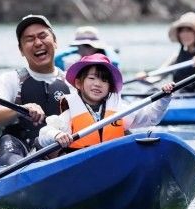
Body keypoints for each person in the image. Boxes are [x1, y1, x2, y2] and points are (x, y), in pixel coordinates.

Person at [39, 53, 174, 152]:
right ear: (79, 83)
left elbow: (151, 117)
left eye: (104, 80)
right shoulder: (71, 113)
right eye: (92, 78)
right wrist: (57, 135)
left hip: (115, 162)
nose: (98, 84)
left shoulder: (119, 110)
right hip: (83, 167)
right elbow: (44, 133)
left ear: (110, 87)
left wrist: (164, 98)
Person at [0, 14, 72, 166]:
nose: (38, 43)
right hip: (19, 150)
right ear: (21, 50)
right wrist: (20, 109)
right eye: (29, 39)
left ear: (55, 42)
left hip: (60, 147)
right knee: (7, 141)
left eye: (43, 36)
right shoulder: (9, 79)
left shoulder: (72, 82)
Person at [136, 11, 195, 95]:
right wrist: (144, 78)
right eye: (181, 31)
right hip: (182, 98)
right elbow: (157, 77)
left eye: (189, 30)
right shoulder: (176, 57)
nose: (185, 34)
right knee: (152, 91)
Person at [54, 25, 120, 70]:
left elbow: (115, 64)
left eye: (87, 46)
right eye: (79, 46)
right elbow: (55, 60)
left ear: (96, 48)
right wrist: (73, 50)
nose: (82, 50)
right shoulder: (75, 65)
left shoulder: (105, 64)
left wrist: (107, 49)